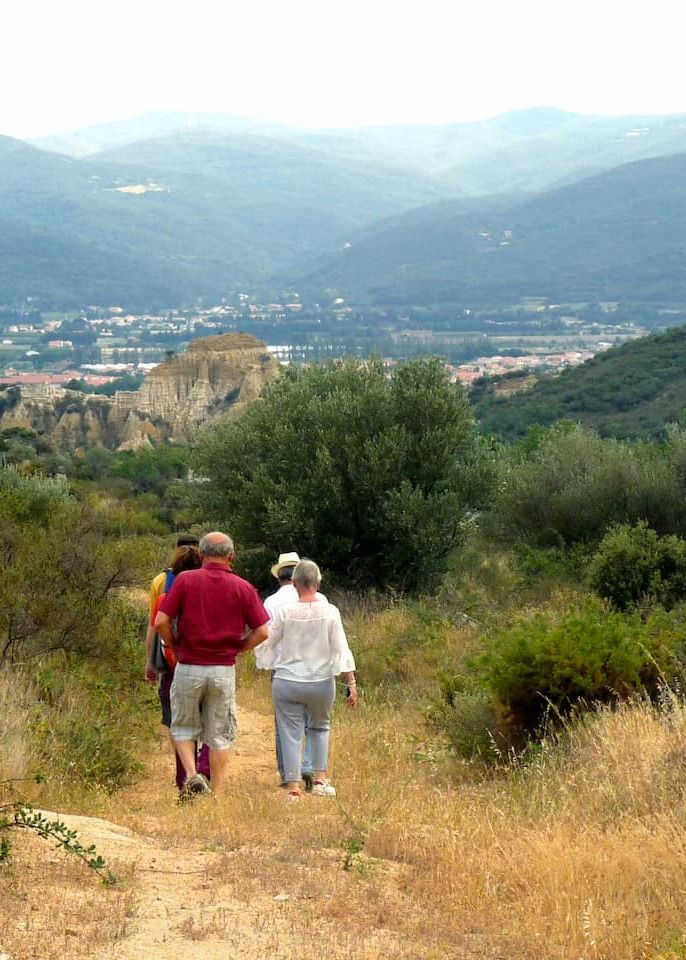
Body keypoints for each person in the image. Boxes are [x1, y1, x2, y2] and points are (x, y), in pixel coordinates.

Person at [155, 531, 269, 797]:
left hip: (189, 665)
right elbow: (263, 631)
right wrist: (239, 648)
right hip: (222, 669)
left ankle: (193, 775)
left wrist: (175, 645)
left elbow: (161, 621)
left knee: (182, 725)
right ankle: (217, 794)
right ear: (232, 556)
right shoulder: (243, 587)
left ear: (203, 554)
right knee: (219, 734)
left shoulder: (185, 581)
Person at [255, 558, 357, 803]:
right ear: (319, 583)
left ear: (296, 584)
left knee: (290, 733)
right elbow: (341, 648)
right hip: (321, 681)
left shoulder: (285, 612)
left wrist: (264, 659)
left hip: (287, 680)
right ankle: (320, 779)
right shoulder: (331, 611)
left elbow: (268, 642)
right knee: (320, 727)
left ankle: (293, 788)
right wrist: (351, 683)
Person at [146, 540, 210, 795]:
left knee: (179, 722)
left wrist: (152, 662)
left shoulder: (161, 587)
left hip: (175, 665)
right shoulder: (211, 589)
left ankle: (186, 775)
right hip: (208, 662)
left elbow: (155, 626)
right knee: (210, 721)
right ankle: (204, 769)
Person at [261, 552, 326, 791]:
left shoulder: (270, 602)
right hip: (314, 667)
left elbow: (266, 637)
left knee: (285, 726)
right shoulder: (321, 599)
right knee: (314, 723)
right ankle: (308, 765)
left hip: (283, 670)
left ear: (280, 576)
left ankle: (288, 773)